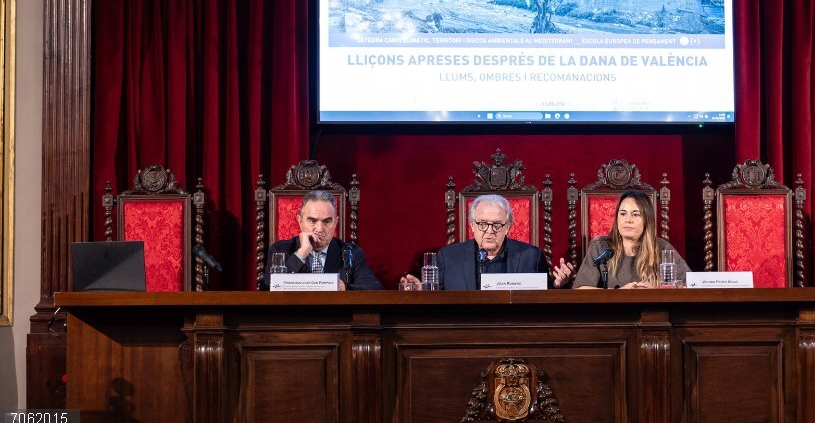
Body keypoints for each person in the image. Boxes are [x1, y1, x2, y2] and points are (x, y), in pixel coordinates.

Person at [400, 194, 575, 290]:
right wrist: (421, 291)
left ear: (508, 227)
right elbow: (435, 299)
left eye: (497, 225)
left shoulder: (531, 256)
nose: (490, 231)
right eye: (482, 224)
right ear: (472, 226)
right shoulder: (448, 257)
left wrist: (559, 285)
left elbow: (544, 297)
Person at [263, 190, 383, 290]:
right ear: (300, 222)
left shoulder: (351, 252)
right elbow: (268, 289)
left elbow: (374, 289)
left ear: (335, 223)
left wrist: (345, 288)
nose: (319, 229)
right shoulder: (280, 250)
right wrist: (301, 253)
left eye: (327, 221)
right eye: (312, 221)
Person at [573, 189, 690, 289]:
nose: (628, 220)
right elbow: (581, 289)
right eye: (623, 214)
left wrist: (656, 290)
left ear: (646, 220)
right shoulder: (601, 247)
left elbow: (690, 286)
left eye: (635, 214)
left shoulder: (661, 247)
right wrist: (618, 293)